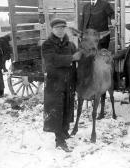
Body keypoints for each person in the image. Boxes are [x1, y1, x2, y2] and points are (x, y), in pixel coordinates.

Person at [42, 18, 81, 152]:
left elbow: (77, 61)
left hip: (69, 82)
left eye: (63, 28)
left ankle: (64, 131)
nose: (60, 30)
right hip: (55, 84)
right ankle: (59, 140)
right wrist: (71, 58)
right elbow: (52, 60)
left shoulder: (70, 45)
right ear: (52, 29)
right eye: (58, 28)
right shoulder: (47, 45)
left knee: (67, 109)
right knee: (57, 111)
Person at [79, 0, 116, 118]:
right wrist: (81, 35)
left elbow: (112, 13)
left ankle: (102, 84)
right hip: (88, 41)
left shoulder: (104, 4)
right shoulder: (85, 7)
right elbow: (82, 23)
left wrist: (113, 18)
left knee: (99, 66)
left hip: (100, 41)